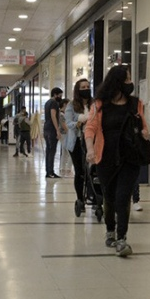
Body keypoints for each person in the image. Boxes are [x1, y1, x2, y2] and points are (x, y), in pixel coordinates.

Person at [85, 66, 150, 257]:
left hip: (130, 158)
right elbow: (90, 128)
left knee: (123, 197)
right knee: (110, 197)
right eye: (127, 79)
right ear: (117, 82)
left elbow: (143, 126)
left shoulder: (135, 103)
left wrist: (145, 133)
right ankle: (110, 230)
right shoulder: (100, 104)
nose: (130, 83)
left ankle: (122, 238)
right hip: (106, 157)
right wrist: (90, 149)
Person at [65, 79, 92, 207]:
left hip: (92, 141)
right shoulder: (71, 105)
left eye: (88, 86)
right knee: (80, 171)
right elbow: (69, 123)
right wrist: (79, 123)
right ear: (78, 90)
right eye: (83, 87)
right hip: (76, 142)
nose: (86, 89)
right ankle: (80, 198)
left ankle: (92, 195)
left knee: (92, 171)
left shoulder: (94, 104)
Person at [43, 87, 64, 178]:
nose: (60, 97)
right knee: (52, 150)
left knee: (48, 150)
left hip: (46, 128)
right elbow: (53, 115)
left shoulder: (47, 102)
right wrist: (57, 130)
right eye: (60, 95)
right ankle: (50, 172)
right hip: (51, 129)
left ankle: (48, 171)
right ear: (55, 94)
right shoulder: (54, 103)